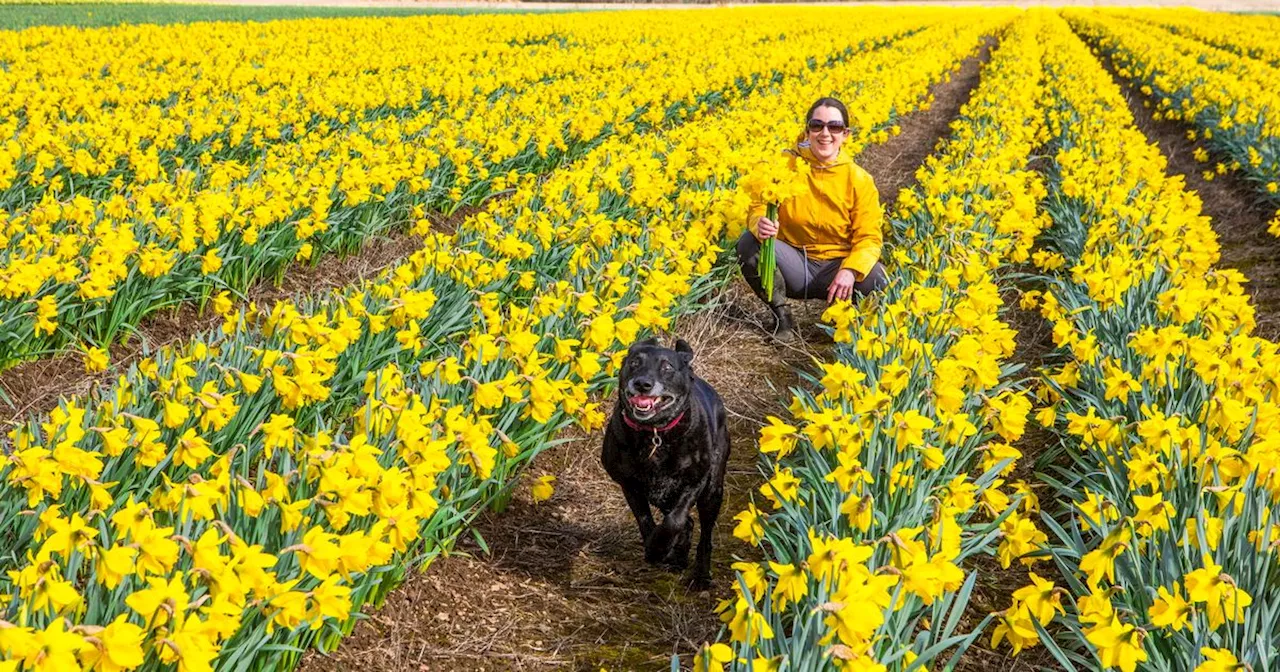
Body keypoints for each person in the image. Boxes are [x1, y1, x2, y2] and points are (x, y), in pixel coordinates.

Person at [737, 96, 889, 342]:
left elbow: (869, 238)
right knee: (749, 243)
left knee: (878, 277)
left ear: (846, 134)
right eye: (817, 126)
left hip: (837, 269)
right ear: (807, 131)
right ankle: (782, 318)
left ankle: (847, 322)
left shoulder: (858, 179)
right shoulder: (786, 166)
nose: (825, 133)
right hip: (796, 265)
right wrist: (760, 223)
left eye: (834, 127)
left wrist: (851, 269)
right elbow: (758, 206)